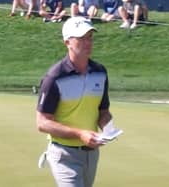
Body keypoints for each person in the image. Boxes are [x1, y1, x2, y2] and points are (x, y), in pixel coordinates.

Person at [36, 16, 113, 187]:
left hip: (91, 154)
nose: (87, 42)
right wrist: (80, 134)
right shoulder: (55, 77)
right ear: (67, 42)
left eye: (90, 37)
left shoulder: (100, 72)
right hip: (64, 154)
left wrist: (109, 129)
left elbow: (103, 111)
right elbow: (42, 122)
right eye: (81, 38)